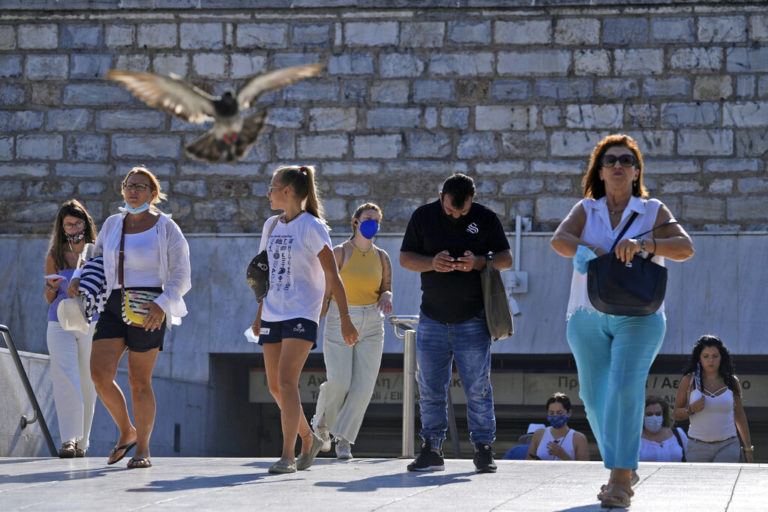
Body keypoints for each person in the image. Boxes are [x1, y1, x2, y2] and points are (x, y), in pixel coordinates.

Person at [550, 134, 694, 507]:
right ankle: (623, 465)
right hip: (586, 314)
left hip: (640, 316)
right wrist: (594, 250)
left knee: (625, 389)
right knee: (595, 401)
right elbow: (559, 239)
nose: (618, 165)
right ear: (599, 171)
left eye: (626, 161)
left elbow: (685, 248)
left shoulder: (652, 211)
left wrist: (646, 245)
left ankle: (620, 481)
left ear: (636, 171)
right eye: (610, 160)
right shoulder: (587, 209)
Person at [68, 166, 191, 469]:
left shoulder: (166, 228)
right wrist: (78, 276)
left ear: (153, 194)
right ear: (123, 190)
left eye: (141, 186)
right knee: (99, 373)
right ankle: (127, 430)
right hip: (112, 302)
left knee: (139, 381)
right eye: (129, 185)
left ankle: (143, 449)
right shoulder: (112, 224)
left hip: (149, 306)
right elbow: (94, 256)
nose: (133, 190)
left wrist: (162, 304)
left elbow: (181, 274)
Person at [400, 173, 512, 473]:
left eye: (462, 212)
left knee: (478, 387)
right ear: (441, 197)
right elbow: (405, 258)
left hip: (473, 318)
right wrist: (431, 263)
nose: (455, 215)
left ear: (472, 200)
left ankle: (484, 448)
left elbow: (506, 258)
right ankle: (432, 447)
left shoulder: (486, 218)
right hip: (432, 317)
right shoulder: (423, 216)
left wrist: (479, 261)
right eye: (450, 210)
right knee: (429, 387)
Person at [253, 165, 359, 474]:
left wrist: (345, 317)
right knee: (275, 387)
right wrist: (259, 314)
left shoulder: (313, 227)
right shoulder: (271, 225)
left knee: (287, 381)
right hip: (272, 311)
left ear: (287, 192)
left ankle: (288, 455)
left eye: (272, 187)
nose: (268, 193)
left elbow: (332, 276)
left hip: (302, 313)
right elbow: (263, 273)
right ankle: (308, 437)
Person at [311, 203, 393, 460]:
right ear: (355, 222)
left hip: (372, 320)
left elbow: (386, 287)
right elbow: (326, 291)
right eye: (369, 218)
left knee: (364, 385)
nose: (374, 224)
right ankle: (322, 425)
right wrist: (317, 321)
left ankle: (344, 439)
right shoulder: (339, 252)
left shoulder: (382, 257)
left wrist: (387, 296)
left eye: (377, 220)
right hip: (340, 317)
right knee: (340, 380)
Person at [44, 199, 98, 458]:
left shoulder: (97, 252)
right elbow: (48, 298)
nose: (74, 227)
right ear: (61, 226)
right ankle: (68, 440)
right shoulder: (54, 255)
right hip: (59, 320)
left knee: (89, 382)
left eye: (78, 222)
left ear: (86, 224)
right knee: (64, 377)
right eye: (69, 223)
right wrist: (52, 288)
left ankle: (83, 442)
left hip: (92, 321)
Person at [673, 335, 753, 463]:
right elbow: (676, 414)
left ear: (722, 357)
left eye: (715, 356)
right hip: (697, 446)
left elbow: (740, 416)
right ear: (699, 358)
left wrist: (748, 449)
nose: (711, 360)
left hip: (728, 445)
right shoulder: (689, 380)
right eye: (706, 356)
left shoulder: (732, 381)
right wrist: (691, 409)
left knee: (724, 481)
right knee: (699, 483)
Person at [525, 392, 589, 461]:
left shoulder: (579, 438)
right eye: (551, 413)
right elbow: (528, 462)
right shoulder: (539, 434)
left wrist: (564, 456)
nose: (555, 416)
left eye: (559, 412)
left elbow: (584, 469)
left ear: (569, 413)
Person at [639, 396, 687, 462]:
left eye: (658, 414)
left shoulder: (678, 434)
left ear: (663, 415)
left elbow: (690, 458)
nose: (654, 417)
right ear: (642, 416)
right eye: (649, 414)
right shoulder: (636, 439)